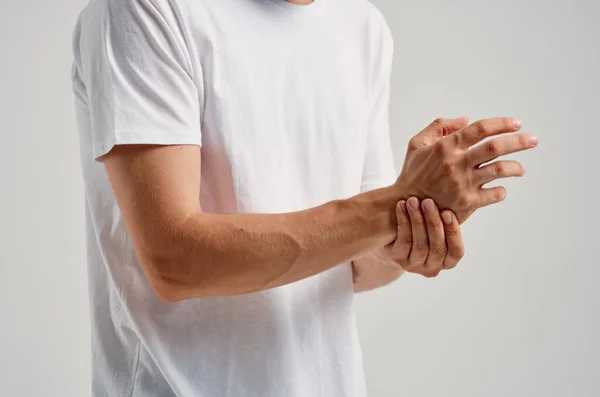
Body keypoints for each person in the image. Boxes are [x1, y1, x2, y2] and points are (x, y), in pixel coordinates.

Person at [71, 0, 537, 395]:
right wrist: (394, 202)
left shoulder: (361, 26)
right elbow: (175, 259)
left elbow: (361, 266)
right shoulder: (149, 9)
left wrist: (412, 229)